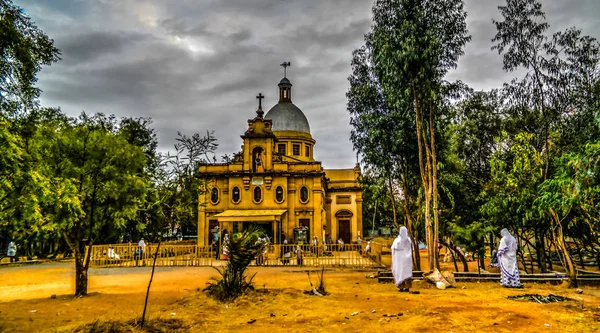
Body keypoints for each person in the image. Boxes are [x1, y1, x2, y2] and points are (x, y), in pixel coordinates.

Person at [391, 227, 413, 292]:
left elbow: (393, 248)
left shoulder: (397, 240)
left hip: (399, 259)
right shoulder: (408, 240)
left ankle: (401, 287)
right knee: (406, 273)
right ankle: (406, 287)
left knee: (400, 272)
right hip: (405, 259)